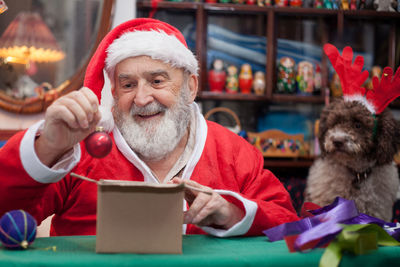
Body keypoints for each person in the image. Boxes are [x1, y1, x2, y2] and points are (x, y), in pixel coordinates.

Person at [0, 18, 299, 237]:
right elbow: (6, 213)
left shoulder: (234, 152)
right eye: (128, 85)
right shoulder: (81, 150)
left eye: (157, 81)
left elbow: (290, 225)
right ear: (114, 94)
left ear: (190, 86)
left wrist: (233, 212)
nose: (142, 99)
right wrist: (49, 146)